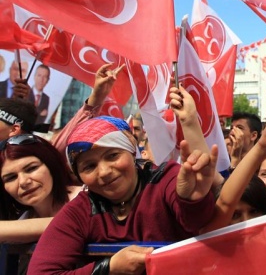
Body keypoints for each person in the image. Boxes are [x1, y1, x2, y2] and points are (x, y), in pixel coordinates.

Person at [28, 87, 220, 274]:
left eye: (112, 156)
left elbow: (196, 221)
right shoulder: (82, 210)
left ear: (132, 152)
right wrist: (107, 268)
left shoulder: (166, 178)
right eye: (89, 166)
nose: (103, 172)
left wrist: (191, 200)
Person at [0, 133, 81, 243]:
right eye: (11, 178)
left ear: (51, 165)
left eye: (31, 168)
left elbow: (74, 223)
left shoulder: (88, 198)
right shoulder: (23, 219)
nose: (24, 182)